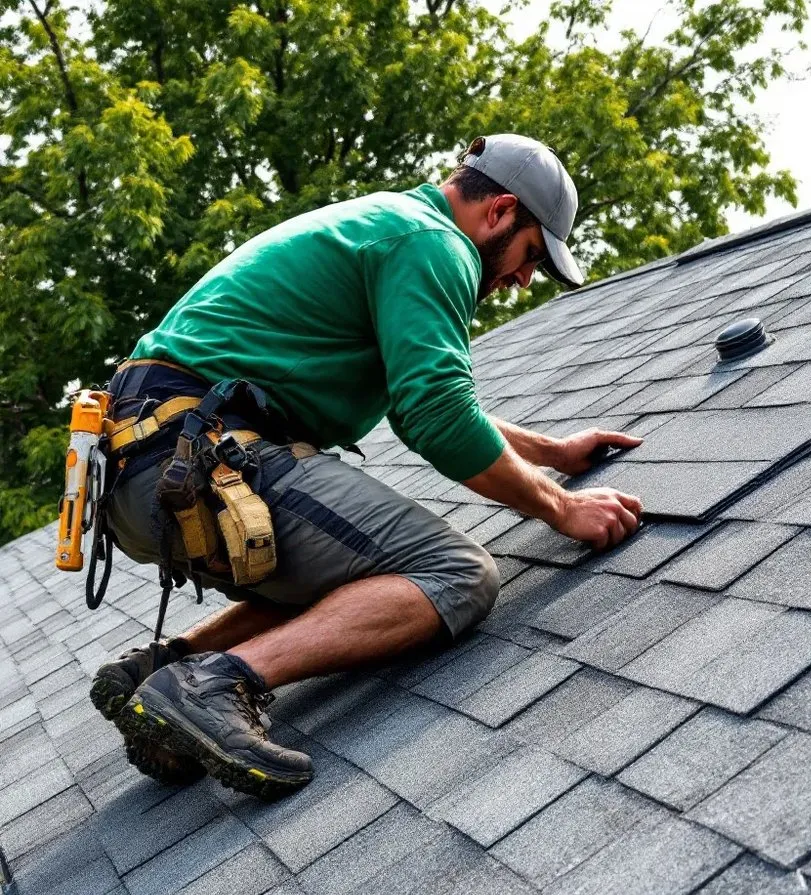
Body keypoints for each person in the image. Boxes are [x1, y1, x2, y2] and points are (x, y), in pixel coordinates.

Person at [91, 133, 643, 800]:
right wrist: (563, 508)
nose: (524, 280)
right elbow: (436, 413)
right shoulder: (434, 243)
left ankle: (162, 669)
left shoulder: (389, 225)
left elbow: (422, 402)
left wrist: (553, 454)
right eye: (532, 255)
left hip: (144, 467)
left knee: (356, 582)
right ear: (499, 211)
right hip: (201, 455)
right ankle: (210, 685)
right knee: (456, 573)